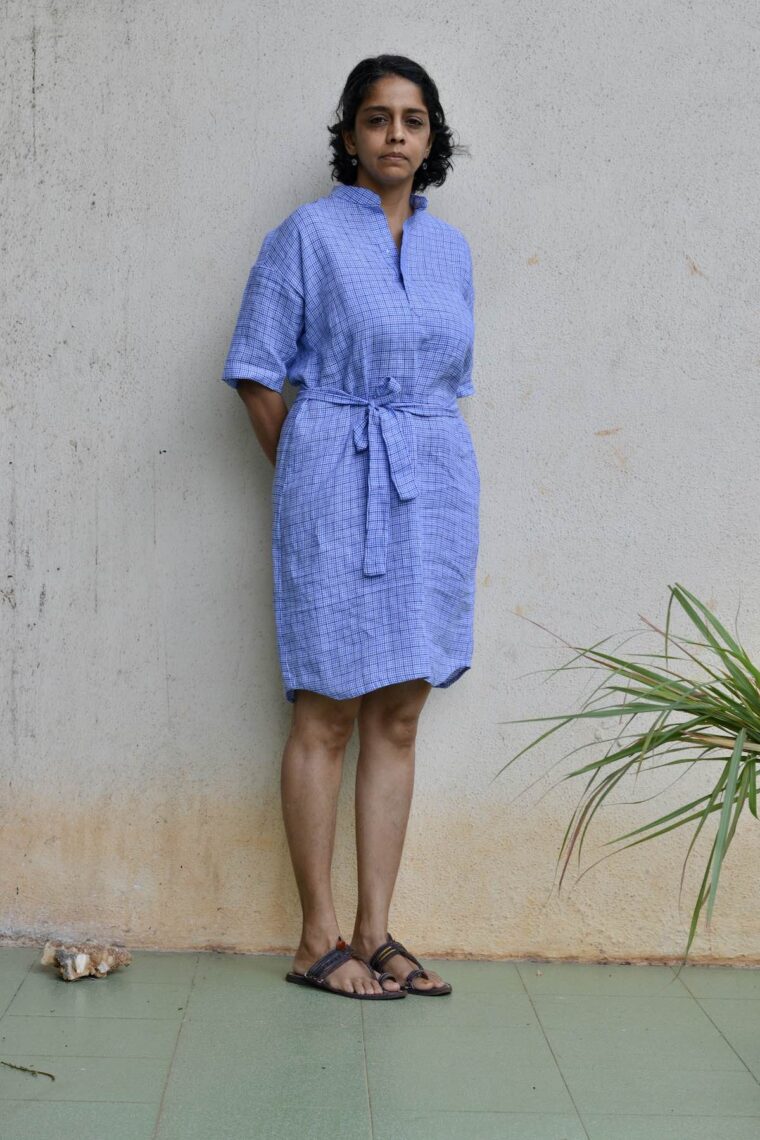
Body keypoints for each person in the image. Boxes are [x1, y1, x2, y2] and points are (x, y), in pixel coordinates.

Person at [221, 55, 479, 1000]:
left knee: (400, 714)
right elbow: (256, 368)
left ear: (431, 137)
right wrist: (309, 479)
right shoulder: (305, 237)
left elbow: (450, 379)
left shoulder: (451, 253)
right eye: (377, 119)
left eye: (413, 120)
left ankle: (375, 931)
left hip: (433, 486)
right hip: (335, 481)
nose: (396, 136)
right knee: (326, 708)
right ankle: (315, 936)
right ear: (349, 137)